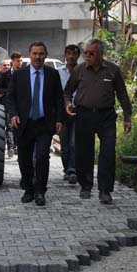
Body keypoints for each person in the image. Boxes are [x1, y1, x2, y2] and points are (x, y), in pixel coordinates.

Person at [64, 39, 132, 204]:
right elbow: (67, 91)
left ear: (101, 54)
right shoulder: (80, 70)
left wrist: (127, 117)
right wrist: (67, 103)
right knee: (84, 152)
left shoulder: (113, 70)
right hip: (84, 114)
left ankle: (105, 190)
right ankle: (85, 186)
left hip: (106, 116)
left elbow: (122, 95)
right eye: (86, 53)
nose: (87, 56)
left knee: (108, 152)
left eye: (91, 53)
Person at [6, 42, 64, 206]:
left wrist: (59, 119)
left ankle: (40, 191)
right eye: (35, 54)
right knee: (24, 159)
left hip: (44, 124)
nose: (38, 57)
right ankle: (28, 189)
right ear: (30, 55)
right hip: (24, 123)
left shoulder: (52, 74)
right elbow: (10, 97)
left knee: (42, 157)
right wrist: (13, 114)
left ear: (45, 55)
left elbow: (59, 99)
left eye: (41, 54)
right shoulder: (19, 75)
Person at [58, 44, 80, 185]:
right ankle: (67, 169)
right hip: (63, 111)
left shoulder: (83, 71)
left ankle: (73, 170)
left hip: (79, 111)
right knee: (64, 144)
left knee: (74, 143)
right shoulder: (58, 72)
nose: (71, 56)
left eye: (74, 54)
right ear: (65, 55)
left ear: (78, 56)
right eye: (69, 53)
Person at [0, 52, 23, 157]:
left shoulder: (25, 73)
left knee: (21, 126)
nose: (20, 63)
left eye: (21, 61)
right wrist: (10, 91)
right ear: (12, 61)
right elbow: (0, 89)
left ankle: (18, 147)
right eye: (18, 61)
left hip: (22, 105)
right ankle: (11, 147)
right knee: (10, 126)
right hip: (10, 105)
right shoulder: (5, 75)